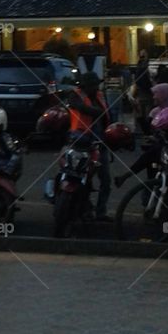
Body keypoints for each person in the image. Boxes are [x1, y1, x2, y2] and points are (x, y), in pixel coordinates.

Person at [68, 70, 113, 221]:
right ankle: (83, 208)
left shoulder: (99, 96)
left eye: (96, 85)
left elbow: (108, 116)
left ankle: (101, 211)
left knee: (105, 180)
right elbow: (77, 106)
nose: (96, 88)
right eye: (93, 85)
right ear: (85, 86)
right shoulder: (76, 95)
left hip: (100, 143)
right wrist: (96, 111)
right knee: (81, 178)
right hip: (80, 141)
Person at [133, 50, 153, 134]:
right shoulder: (146, 67)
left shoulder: (139, 67)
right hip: (146, 91)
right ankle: (147, 129)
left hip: (141, 91)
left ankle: (143, 129)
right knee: (147, 112)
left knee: (141, 111)